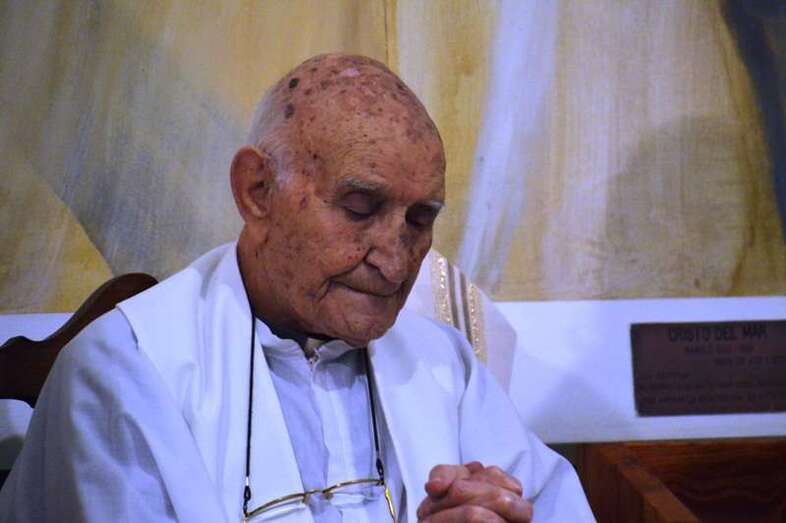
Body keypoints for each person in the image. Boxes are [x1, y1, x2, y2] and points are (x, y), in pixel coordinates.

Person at [0, 54, 595, 522]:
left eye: (419, 220)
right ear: (257, 191)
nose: (395, 263)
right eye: (360, 208)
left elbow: (552, 505)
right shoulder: (123, 372)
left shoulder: (443, 365)